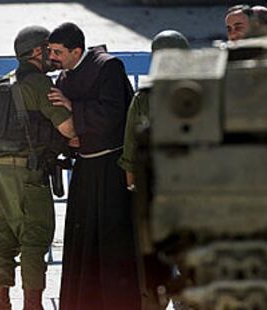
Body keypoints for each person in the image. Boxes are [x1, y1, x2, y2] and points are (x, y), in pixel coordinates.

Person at [46, 22, 140, 310]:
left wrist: (74, 109)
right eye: (50, 51)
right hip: (85, 170)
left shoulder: (108, 67)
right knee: (82, 242)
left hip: (111, 169)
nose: (53, 57)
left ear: (77, 51)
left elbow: (113, 114)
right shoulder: (65, 74)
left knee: (112, 242)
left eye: (58, 52)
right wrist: (71, 138)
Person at [0, 25, 76, 310]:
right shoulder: (39, 84)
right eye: (49, 49)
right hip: (28, 175)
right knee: (33, 242)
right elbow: (69, 129)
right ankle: (32, 306)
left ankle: (2, 304)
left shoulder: (1, 84)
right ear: (37, 51)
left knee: (2, 239)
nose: (52, 55)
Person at [118, 30, 190, 308]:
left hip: (154, 194)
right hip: (192, 190)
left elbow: (130, 152)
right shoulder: (203, 91)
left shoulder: (144, 97)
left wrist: (133, 190)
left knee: (152, 263)